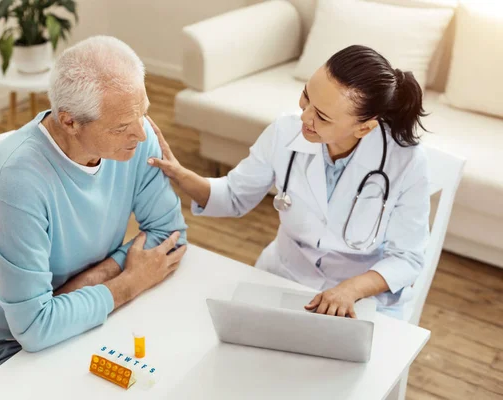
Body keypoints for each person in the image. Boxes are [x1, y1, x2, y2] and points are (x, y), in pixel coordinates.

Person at [148, 45, 430, 319]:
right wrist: (180, 174)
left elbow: (408, 258)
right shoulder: (285, 131)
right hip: (283, 276)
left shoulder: (405, 162)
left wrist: (351, 290)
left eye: (321, 116)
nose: (305, 117)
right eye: (306, 97)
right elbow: (234, 196)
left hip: (363, 299)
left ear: (364, 127)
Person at [0, 36, 188, 375]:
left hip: (88, 308)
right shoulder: (16, 183)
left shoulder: (136, 138)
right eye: (122, 126)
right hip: (12, 344)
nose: (141, 135)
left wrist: (85, 286)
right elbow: (34, 329)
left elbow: (170, 236)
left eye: (143, 112)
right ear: (69, 121)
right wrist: (128, 282)